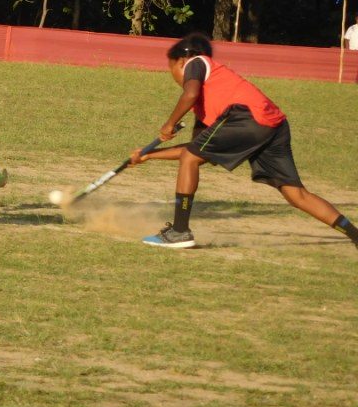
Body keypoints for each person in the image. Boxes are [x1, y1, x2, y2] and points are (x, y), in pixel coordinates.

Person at [130, 32, 358, 250]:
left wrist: (169, 124)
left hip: (246, 117)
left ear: (180, 61)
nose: (178, 78)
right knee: (296, 194)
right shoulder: (209, 105)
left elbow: (189, 97)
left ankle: (179, 232)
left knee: (191, 158)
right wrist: (148, 155)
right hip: (273, 124)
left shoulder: (196, 61)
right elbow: (195, 152)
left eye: (171, 70)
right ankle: (355, 234)